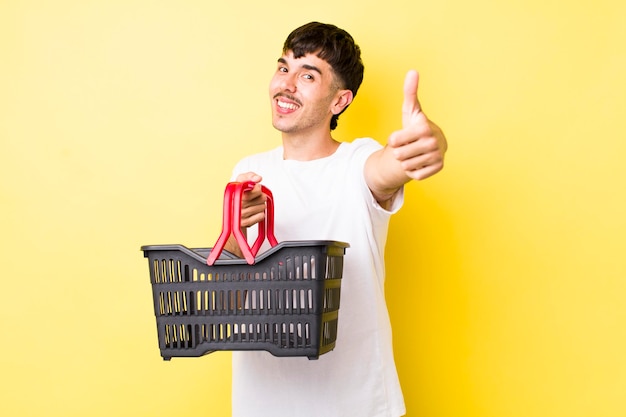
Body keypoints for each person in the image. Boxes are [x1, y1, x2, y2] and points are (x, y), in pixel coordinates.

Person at [224, 21, 447, 417]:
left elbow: (389, 166)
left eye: (307, 75)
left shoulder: (358, 161)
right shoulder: (249, 171)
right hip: (262, 403)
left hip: (355, 404)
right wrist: (234, 236)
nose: (286, 84)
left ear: (339, 101)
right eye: (283, 67)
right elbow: (229, 304)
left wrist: (427, 142)